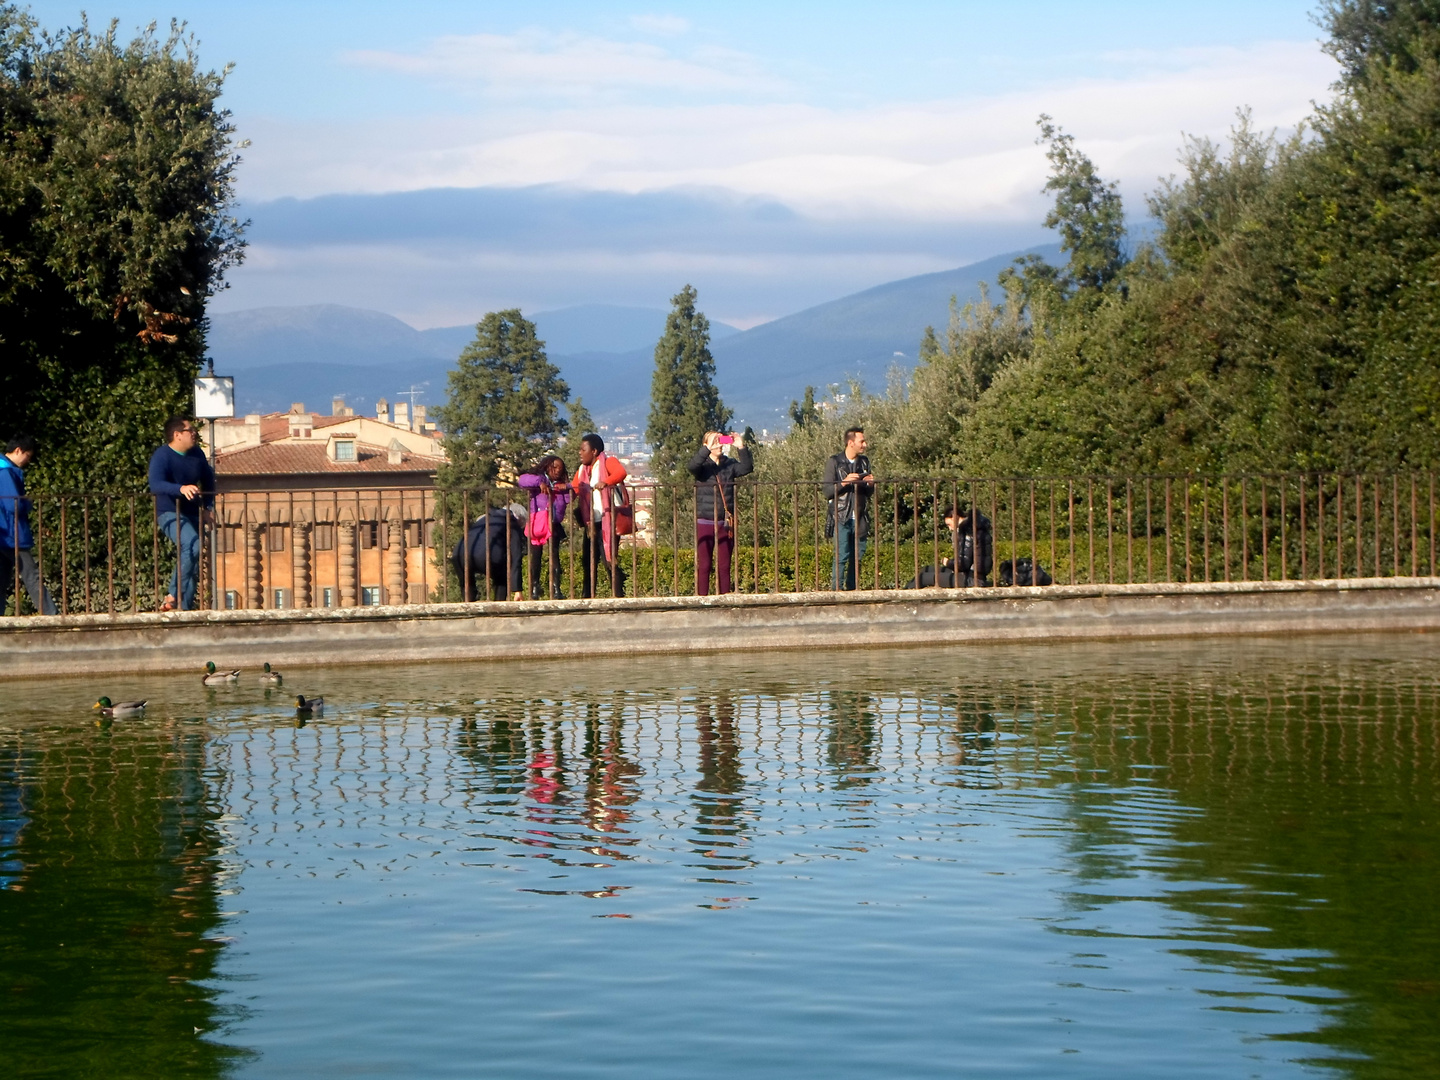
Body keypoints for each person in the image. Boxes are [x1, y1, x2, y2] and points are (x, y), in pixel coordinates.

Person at [147, 416, 215, 611]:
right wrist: (180, 488)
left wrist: (207, 508)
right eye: (190, 430)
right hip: (169, 512)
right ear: (177, 435)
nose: (194, 433)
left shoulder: (197, 454)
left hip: (192, 511)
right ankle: (173, 595)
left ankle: (183, 609)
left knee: (192, 561)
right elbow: (156, 484)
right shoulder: (162, 455)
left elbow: (208, 480)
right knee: (192, 544)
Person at [688, 431, 752, 595]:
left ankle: (724, 597)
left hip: (725, 521)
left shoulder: (729, 464)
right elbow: (692, 466)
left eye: (720, 440)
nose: (719, 444)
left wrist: (741, 447)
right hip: (705, 519)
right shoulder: (703, 468)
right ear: (706, 445)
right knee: (705, 564)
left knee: (724, 564)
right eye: (714, 441)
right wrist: (706, 450)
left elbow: (747, 467)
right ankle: (702, 598)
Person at [0, 435, 57, 616]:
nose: (28, 461)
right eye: (28, 456)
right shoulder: (6, 473)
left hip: (3, 534)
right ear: (18, 450)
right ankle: (51, 615)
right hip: (12, 533)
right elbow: (12, 504)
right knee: (31, 576)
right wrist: (28, 503)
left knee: (2, 580)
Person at [572, 433, 627, 598]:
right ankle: (587, 596)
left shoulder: (608, 462)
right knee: (588, 560)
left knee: (607, 559)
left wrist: (607, 482)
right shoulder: (583, 470)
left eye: (583, 449)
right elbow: (574, 489)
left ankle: (618, 594)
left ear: (594, 451)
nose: (580, 453)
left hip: (608, 519)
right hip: (591, 521)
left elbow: (620, 473)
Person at [823, 427, 874, 590]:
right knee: (842, 555)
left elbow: (868, 493)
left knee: (858, 555)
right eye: (862, 441)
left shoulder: (864, 462)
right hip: (841, 515)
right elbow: (827, 491)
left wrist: (870, 484)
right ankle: (837, 589)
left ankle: (852, 588)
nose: (864, 445)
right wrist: (844, 482)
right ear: (851, 443)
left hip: (859, 515)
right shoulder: (835, 462)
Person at [517, 454, 572, 599]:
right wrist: (540, 482)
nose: (558, 470)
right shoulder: (539, 479)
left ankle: (556, 588)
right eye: (554, 467)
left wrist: (565, 487)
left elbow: (570, 495)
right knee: (536, 555)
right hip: (538, 520)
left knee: (555, 555)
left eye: (560, 468)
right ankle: (535, 587)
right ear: (547, 466)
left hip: (553, 522)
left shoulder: (560, 483)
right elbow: (522, 480)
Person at [450, 502, 528, 601]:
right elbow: (516, 557)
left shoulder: (485, 518)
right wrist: (518, 590)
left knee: (467, 582)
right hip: (484, 555)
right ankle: (498, 606)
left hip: (459, 553)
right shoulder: (512, 523)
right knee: (504, 572)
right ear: (520, 519)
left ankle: (468, 605)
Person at [904, 503, 993, 588]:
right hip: (970, 575)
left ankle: (903, 598)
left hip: (971, 579)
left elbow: (963, 563)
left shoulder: (968, 531)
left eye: (949, 524)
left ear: (955, 517)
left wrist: (948, 563)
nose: (950, 529)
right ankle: (904, 592)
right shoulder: (974, 530)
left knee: (922, 578)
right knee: (926, 569)